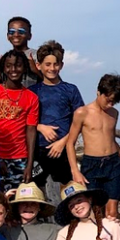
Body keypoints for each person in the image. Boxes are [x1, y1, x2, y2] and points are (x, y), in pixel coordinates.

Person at [66, 74, 120, 219]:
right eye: (108, 100)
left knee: (112, 211)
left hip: (113, 163)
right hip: (92, 164)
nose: (111, 105)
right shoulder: (82, 113)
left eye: (115, 102)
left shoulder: (114, 113)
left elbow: (112, 140)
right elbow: (70, 143)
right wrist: (75, 171)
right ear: (98, 92)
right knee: (95, 210)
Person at [0, 50, 40, 193]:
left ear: (25, 68)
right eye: (9, 66)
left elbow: (31, 131)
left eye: (18, 65)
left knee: (18, 201)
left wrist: (29, 165)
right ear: (3, 68)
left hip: (20, 158)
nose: (13, 70)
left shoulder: (31, 97)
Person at [29, 40, 84, 195]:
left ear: (61, 65)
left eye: (56, 64)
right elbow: (22, 120)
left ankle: (71, 219)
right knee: (35, 189)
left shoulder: (70, 90)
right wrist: (40, 127)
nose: (52, 68)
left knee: (69, 190)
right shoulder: (32, 91)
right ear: (39, 65)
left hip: (64, 150)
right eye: (47, 64)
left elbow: (80, 122)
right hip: (38, 149)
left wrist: (63, 142)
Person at [0, 16, 41, 88]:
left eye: (21, 31)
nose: (16, 35)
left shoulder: (37, 56)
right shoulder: (7, 58)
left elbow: (52, 81)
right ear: (8, 36)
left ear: (29, 36)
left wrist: (35, 70)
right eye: (12, 32)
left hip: (34, 98)